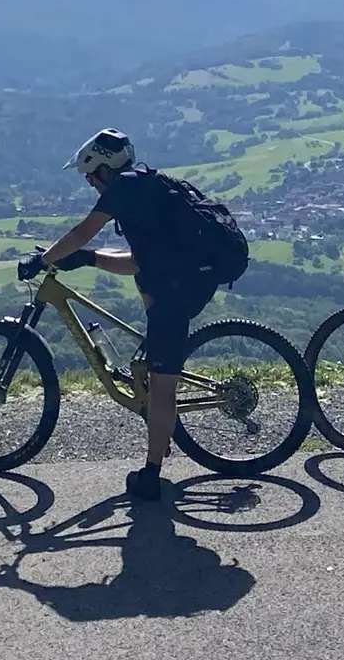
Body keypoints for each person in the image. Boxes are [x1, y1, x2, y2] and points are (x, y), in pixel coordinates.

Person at [21, 129, 223, 503]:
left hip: (178, 290)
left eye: (89, 176)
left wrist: (44, 259)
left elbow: (84, 230)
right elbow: (137, 262)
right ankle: (159, 429)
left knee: (163, 387)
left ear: (103, 168)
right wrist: (88, 258)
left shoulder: (125, 189)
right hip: (177, 280)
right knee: (157, 374)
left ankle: (151, 477)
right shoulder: (144, 187)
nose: (89, 183)